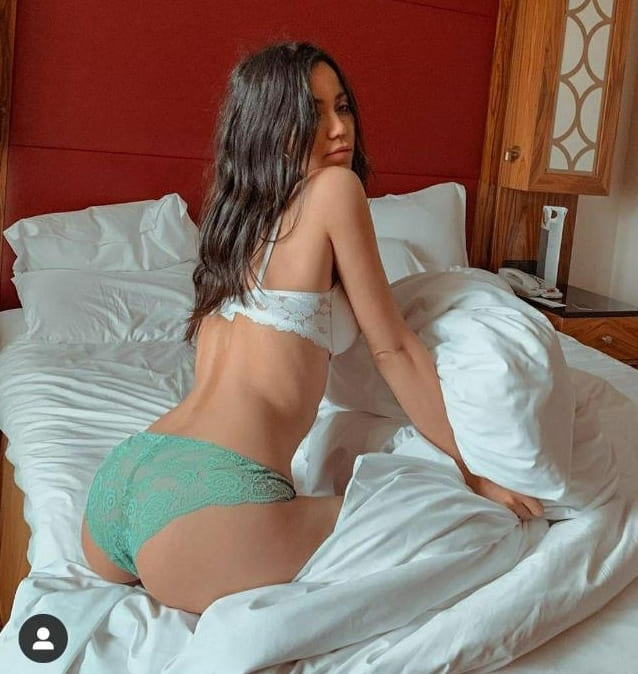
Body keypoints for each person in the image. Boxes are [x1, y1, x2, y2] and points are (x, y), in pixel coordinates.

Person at [81, 41, 543, 615]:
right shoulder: (334, 191)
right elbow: (395, 350)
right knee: (448, 515)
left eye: (342, 107)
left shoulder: (235, 222)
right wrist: (476, 476)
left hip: (125, 480)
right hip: (209, 505)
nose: (338, 129)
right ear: (269, 127)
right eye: (312, 113)